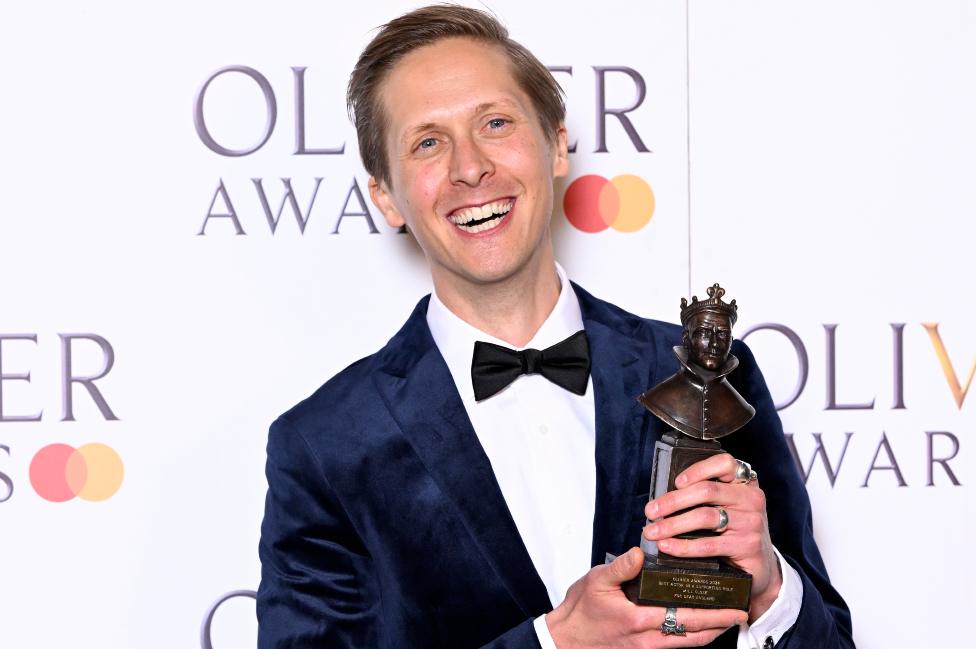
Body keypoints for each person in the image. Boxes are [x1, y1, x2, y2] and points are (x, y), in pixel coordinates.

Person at [257, 5, 854, 648]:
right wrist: (554, 643)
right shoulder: (328, 445)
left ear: (557, 144)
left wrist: (769, 588)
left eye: (495, 122)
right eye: (427, 141)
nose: (470, 167)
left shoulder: (704, 370)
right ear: (385, 195)